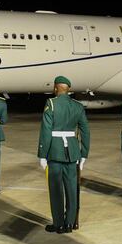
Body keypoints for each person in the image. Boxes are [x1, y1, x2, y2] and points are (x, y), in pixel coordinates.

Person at [38, 76, 90, 234]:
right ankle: (70, 223)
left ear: (55, 88)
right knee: (72, 189)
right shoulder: (77, 106)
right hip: (72, 152)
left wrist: (42, 154)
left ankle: (59, 223)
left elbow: (46, 131)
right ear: (68, 89)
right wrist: (84, 154)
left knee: (56, 189)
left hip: (55, 151)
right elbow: (85, 131)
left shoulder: (51, 104)